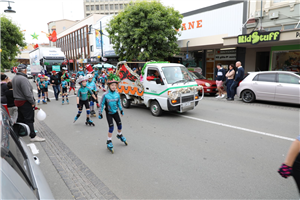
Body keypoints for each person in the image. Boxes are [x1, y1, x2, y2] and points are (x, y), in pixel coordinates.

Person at [12, 64, 45, 142]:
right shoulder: (23, 79)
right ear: (25, 70)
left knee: (20, 118)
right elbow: (27, 93)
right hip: (25, 101)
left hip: (18, 100)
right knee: (29, 119)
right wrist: (32, 102)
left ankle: (17, 133)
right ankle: (33, 136)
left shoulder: (15, 78)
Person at [98, 73, 127, 153]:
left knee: (120, 125)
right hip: (109, 113)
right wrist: (100, 113)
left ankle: (119, 134)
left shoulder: (117, 95)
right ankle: (109, 141)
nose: (114, 87)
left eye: (115, 85)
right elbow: (102, 104)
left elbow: (119, 103)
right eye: (112, 85)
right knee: (111, 127)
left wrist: (121, 110)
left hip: (115, 112)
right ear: (109, 86)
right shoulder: (105, 95)